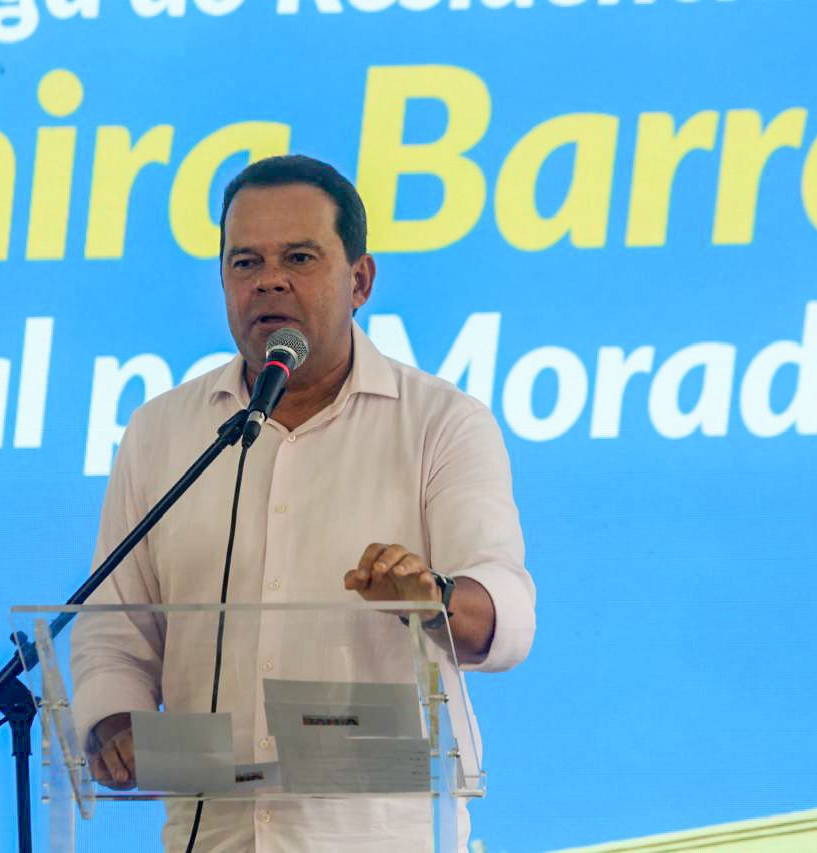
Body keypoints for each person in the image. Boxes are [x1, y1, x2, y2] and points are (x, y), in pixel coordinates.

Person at [70, 154, 535, 851]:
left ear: (360, 280)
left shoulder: (441, 423)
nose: (270, 280)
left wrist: (431, 596)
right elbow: (113, 630)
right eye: (245, 262)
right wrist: (116, 726)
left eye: (299, 257)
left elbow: (507, 610)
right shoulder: (162, 431)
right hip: (213, 835)